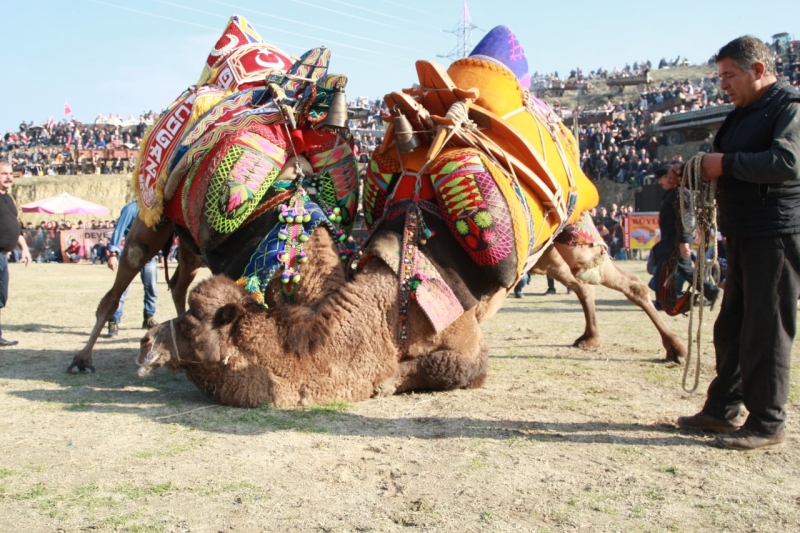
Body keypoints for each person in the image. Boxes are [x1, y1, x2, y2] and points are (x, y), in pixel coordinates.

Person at [672, 36, 800, 450]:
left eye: (729, 75)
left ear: (758, 70)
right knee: (732, 327)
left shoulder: (790, 107)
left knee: (766, 330)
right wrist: (689, 171)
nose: (723, 84)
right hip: (743, 233)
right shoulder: (743, 112)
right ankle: (723, 409)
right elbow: (720, 163)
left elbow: (787, 162)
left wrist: (722, 164)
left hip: (776, 235)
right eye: (720, 76)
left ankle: (767, 423)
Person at [649, 165, 720, 315]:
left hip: (676, 240)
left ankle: (712, 292)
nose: (661, 183)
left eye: (663, 179)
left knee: (681, 270)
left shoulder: (682, 194)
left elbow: (687, 218)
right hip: (670, 239)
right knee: (665, 268)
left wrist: (685, 242)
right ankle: (663, 301)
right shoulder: (673, 193)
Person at [106, 201, 158, 337]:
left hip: (150, 256)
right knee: (121, 290)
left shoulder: (157, 207)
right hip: (131, 254)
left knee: (152, 290)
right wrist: (113, 253)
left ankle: (149, 318)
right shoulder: (131, 208)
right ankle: (114, 321)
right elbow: (119, 229)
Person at [0, 161, 32, 346]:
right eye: (4, 173)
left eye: (10, 173)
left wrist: (24, 248)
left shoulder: (8, 198)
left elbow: (14, 226)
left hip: (4, 255)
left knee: (1, 297)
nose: (9, 177)